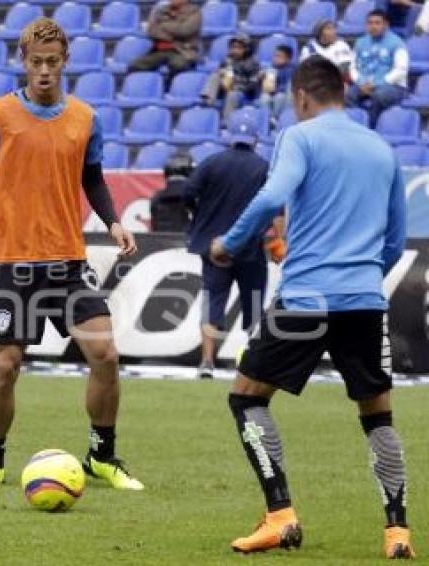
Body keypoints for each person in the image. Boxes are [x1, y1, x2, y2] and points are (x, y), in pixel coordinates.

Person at [210, 56, 411, 559]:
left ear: (301, 96)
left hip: (306, 296)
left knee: (247, 397)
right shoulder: (382, 148)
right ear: (342, 91)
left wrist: (229, 244)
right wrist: (361, 277)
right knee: (377, 414)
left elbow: (270, 196)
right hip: (365, 299)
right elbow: (394, 240)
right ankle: (397, 532)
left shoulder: (301, 137)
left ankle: (280, 515)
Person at [0, 17, 143, 491]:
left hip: (67, 261)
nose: (43, 70)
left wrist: (113, 220)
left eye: (52, 62)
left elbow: (93, 178)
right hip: (13, 259)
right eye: (36, 62)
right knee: (5, 365)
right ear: (24, 62)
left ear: (64, 63)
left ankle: (103, 455)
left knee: (105, 353)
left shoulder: (84, 118)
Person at [184, 109, 275, 379]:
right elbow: (274, 205)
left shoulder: (212, 162)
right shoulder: (263, 167)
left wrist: (200, 217)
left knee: (212, 303)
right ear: (256, 140)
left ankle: (207, 362)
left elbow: (188, 191)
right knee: (254, 306)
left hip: (214, 249)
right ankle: (251, 364)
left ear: (229, 137)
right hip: (250, 250)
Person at [347, 10, 409, 128]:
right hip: (364, 84)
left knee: (379, 96)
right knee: (348, 95)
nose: (373, 26)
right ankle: (354, 128)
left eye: (377, 23)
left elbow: (401, 70)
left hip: (393, 87)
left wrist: (376, 84)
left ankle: (371, 130)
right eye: (370, 23)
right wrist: (361, 83)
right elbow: (353, 67)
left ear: (386, 24)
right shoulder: (360, 42)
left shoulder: (397, 43)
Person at [129, 0, 202, 81]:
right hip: (159, 51)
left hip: (181, 51)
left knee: (178, 65)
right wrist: (172, 32)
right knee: (135, 65)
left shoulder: (195, 13)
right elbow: (151, 31)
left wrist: (163, 25)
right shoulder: (161, 10)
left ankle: (171, 87)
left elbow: (184, 30)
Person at [202, 34, 261, 122]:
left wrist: (236, 86)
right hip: (226, 88)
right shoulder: (227, 59)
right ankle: (208, 100)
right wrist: (222, 73)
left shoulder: (253, 63)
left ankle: (227, 122)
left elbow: (252, 84)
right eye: (233, 47)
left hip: (242, 92)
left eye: (239, 48)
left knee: (232, 95)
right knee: (215, 75)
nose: (235, 50)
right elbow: (221, 74)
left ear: (246, 49)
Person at [259, 45, 295, 120]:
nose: (276, 59)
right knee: (264, 98)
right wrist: (261, 78)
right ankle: (267, 119)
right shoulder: (269, 68)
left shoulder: (290, 70)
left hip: (282, 94)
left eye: (280, 57)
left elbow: (288, 87)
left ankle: (276, 118)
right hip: (269, 93)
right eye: (275, 56)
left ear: (288, 59)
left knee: (279, 97)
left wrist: (276, 89)